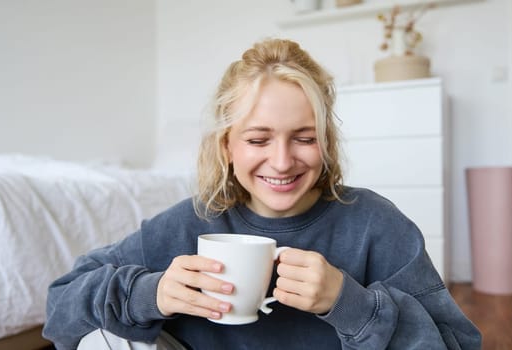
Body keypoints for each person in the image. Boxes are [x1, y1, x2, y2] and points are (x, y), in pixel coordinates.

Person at [43, 38, 481, 349]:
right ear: (227, 146)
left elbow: (456, 344)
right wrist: (150, 294)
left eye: (305, 138)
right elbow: (61, 304)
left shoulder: (374, 224)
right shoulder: (190, 222)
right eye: (258, 140)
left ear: (326, 141)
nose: (282, 161)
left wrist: (351, 304)